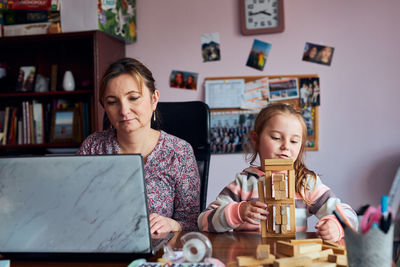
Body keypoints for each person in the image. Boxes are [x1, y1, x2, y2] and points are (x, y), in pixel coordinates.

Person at [198, 103, 358, 241]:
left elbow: (349, 216)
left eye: (294, 141)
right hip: (251, 256)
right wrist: (237, 212)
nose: (286, 146)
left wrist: (336, 225)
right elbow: (203, 221)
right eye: (276, 138)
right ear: (256, 139)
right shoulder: (243, 183)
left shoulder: (306, 183)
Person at [77, 57, 200, 234]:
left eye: (133, 98)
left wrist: (172, 224)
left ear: (154, 99)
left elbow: (192, 221)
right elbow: (75, 207)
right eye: (112, 102)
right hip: (100, 247)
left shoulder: (179, 152)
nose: (124, 110)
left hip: (158, 253)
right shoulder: (93, 147)